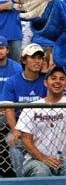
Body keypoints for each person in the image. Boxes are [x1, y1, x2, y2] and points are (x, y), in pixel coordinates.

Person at [16, 66, 66, 177]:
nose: (57, 81)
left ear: (65, 83)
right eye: (53, 78)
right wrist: (43, 158)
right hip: (35, 160)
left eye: (61, 79)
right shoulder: (31, 107)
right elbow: (26, 139)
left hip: (63, 160)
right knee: (41, 172)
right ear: (45, 82)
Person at [1, 44, 47, 176]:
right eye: (33, 57)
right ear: (24, 60)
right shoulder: (12, 81)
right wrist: (15, 129)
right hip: (22, 127)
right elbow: (8, 108)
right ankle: (22, 178)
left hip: (44, 126)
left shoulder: (46, 81)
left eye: (40, 58)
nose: (37, 61)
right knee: (14, 142)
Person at [0, 35, 21, 177]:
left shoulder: (16, 67)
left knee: (10, 140)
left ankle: (9, 175)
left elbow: (19, 92)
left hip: (11, 113)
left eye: (1, 48)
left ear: (7, 50)